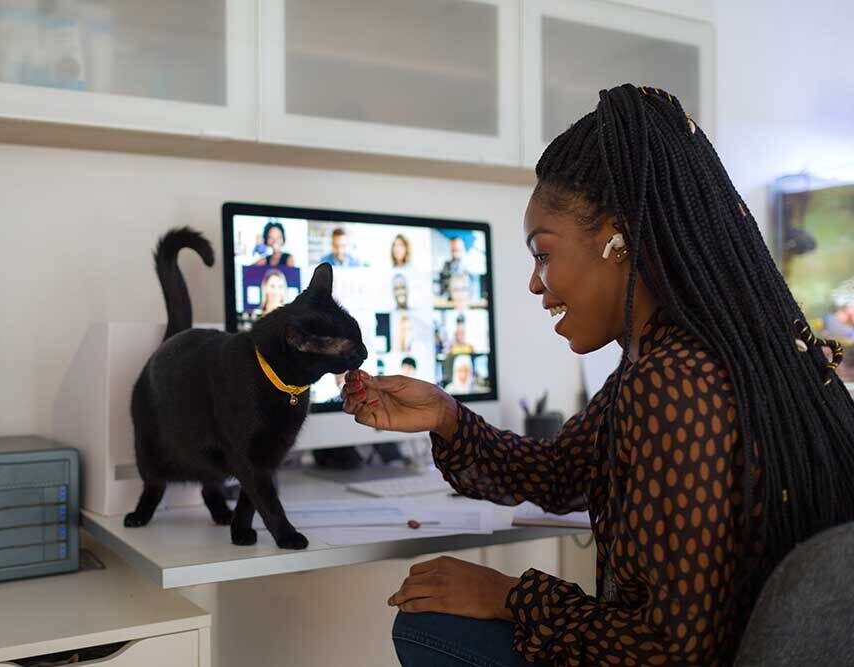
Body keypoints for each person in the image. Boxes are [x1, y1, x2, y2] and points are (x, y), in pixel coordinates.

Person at [340, 84, 854, 666]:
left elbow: (668, 653)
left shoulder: (675, 381)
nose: (535, 283)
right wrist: (446, 415)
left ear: (618, 239)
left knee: (427, 626)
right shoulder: (677, 358)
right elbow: (562, 473)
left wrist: (512, 597)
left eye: (543, 253)